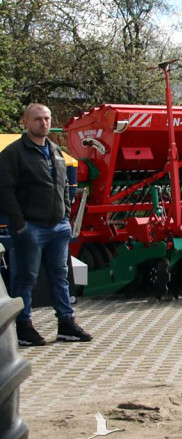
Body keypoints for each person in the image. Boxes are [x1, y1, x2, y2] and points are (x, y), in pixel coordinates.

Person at [0, 103, 92, 346]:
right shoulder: (14, 153)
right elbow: (5, 190)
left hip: (58, 228)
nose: (44, 123)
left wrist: (66, 215)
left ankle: (66, 324)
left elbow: (63, 186)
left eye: (47, 118)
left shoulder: (55, 150)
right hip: (30, 228)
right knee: (25, 278)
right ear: (26, 122)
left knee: (60, 277)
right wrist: (19, 224)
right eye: (38, 119)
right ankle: (24, 328)